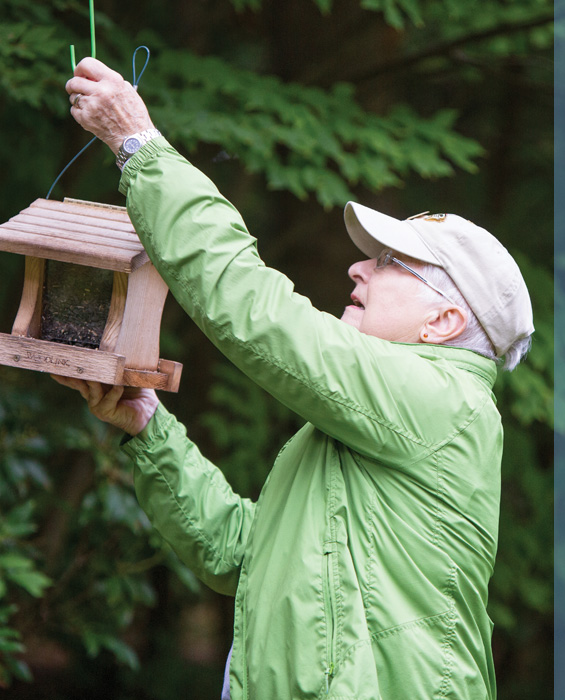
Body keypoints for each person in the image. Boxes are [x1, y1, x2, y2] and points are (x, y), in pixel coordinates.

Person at [57, 58, 534, 700]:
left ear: (445, 321)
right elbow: (242, 553)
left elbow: (257, 313)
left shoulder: (445, 402)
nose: (358, 270)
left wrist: (140, 147)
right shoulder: (369, 423)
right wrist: (147, 428)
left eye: (391, 262)